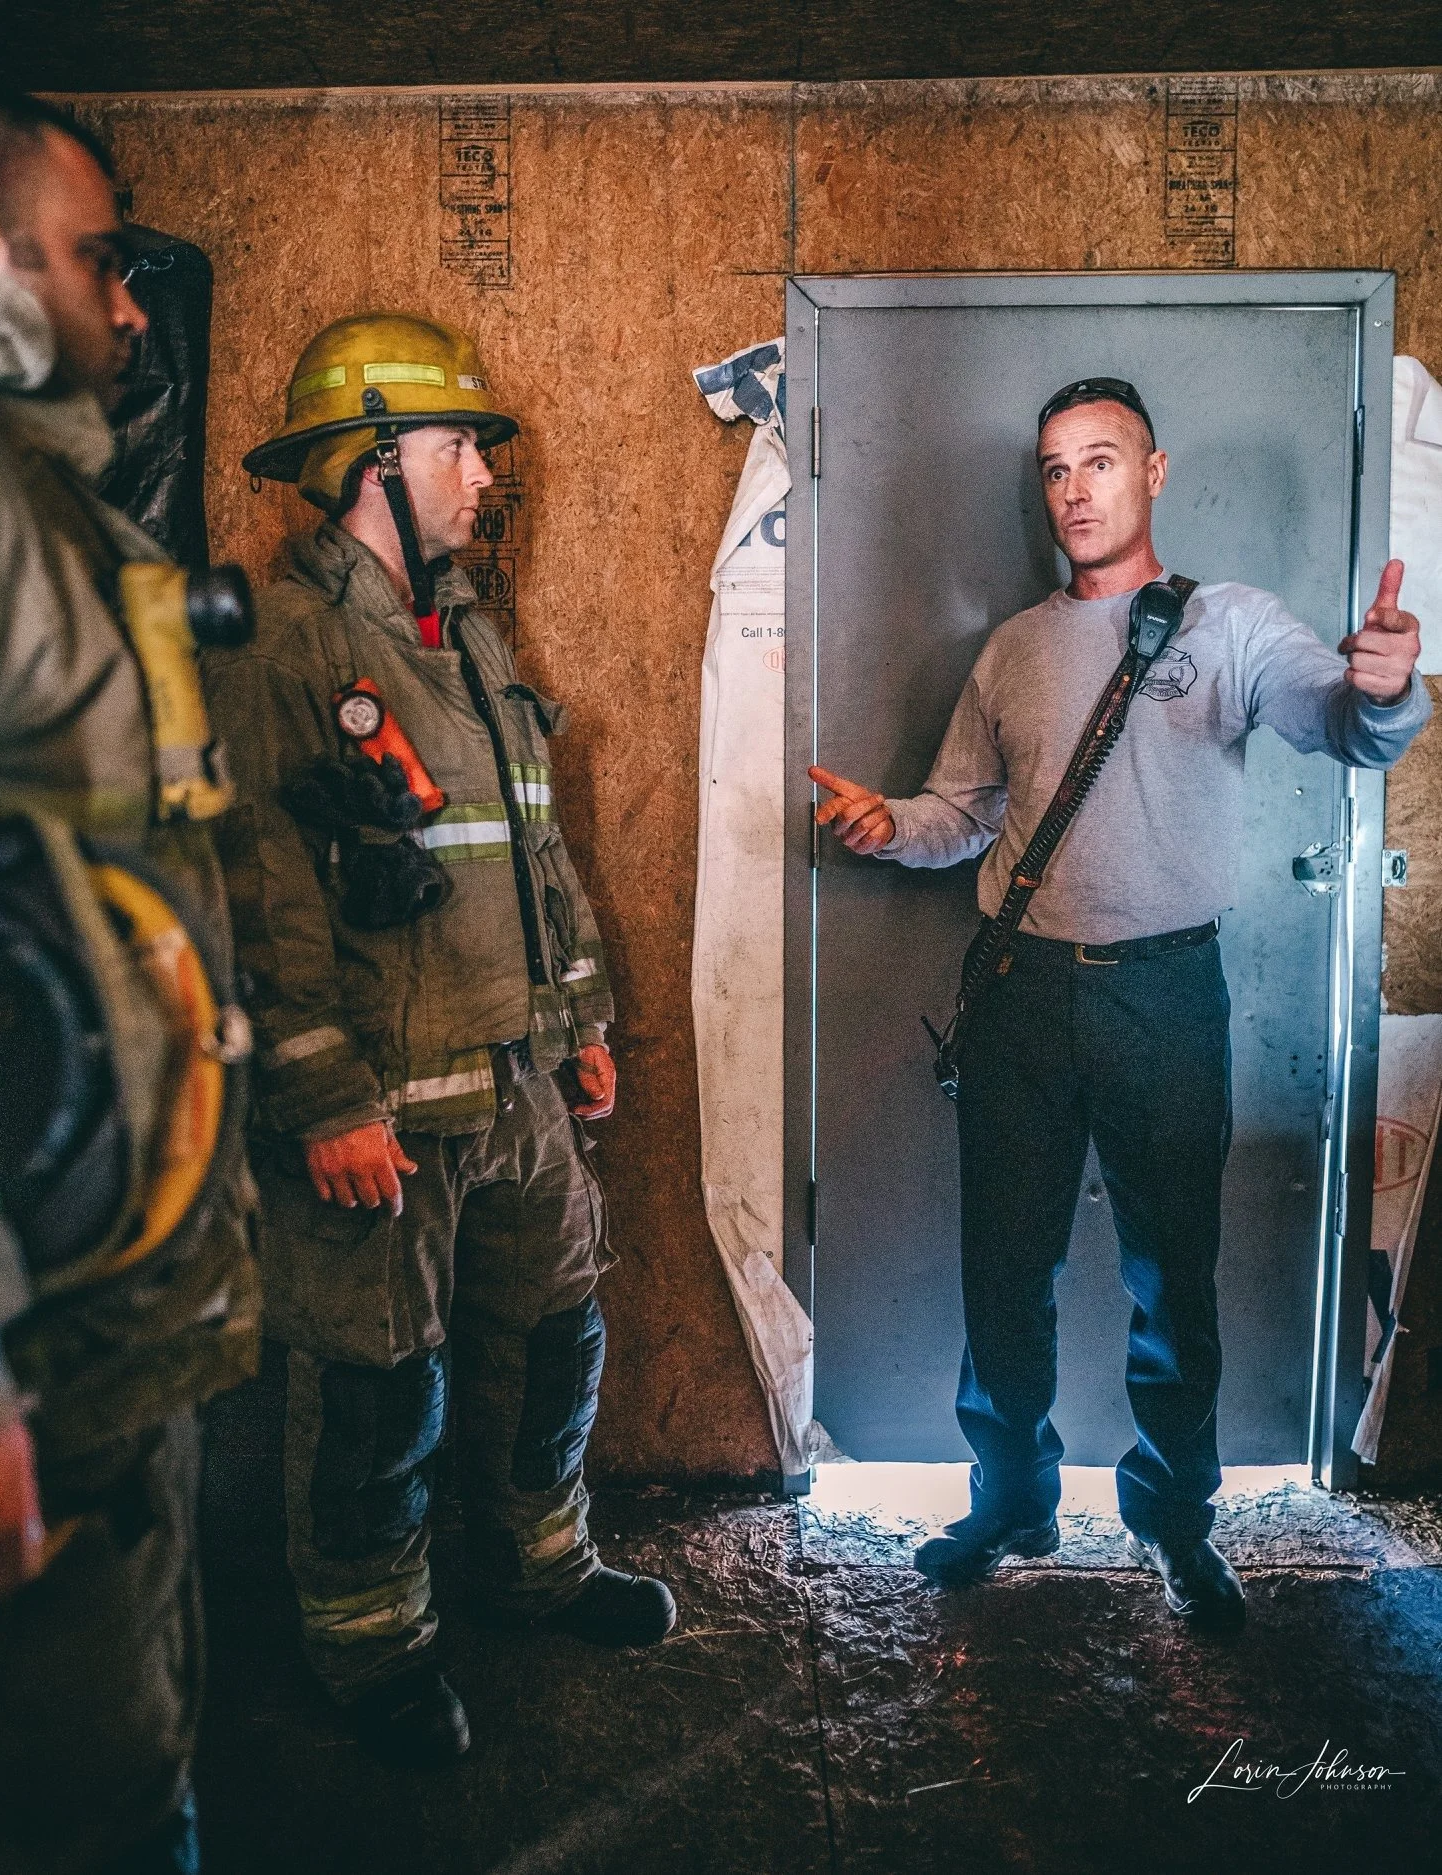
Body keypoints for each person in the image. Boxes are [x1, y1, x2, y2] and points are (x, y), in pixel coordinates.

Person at [811, 376, 1426, 1630]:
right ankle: (1010, 1499)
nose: (1075, 487)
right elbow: (964, 816)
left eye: (1101, 460)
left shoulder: (1234, 626)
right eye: (1054, 467)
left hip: (1166, 998)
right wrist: (887, 825)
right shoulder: (1013, 650)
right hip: (1024, 997)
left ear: (1154, 472)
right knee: (1004, 1270)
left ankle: (1174, 1518)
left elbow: (1345, 731)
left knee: (1173, 1280)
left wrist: (1383, 690)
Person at [205, 312, 675, 1766]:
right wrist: (327, 1095)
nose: (483, 469)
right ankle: (373, 1645)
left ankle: (543, 1568)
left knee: (553, 1335)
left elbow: (530, 850)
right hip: (384, 1110)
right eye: (458, 442)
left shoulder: (463, 627)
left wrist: (582, 1014)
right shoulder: (287, 642)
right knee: (375, 1387)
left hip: (517, 1075)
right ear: (372, 465)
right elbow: (260, 896)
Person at [0, 84, 260, 1870]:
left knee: (126, 1765)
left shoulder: (48, 506)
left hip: (98, 1330)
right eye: (97, 261)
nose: (133, 308)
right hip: (20, 1365)